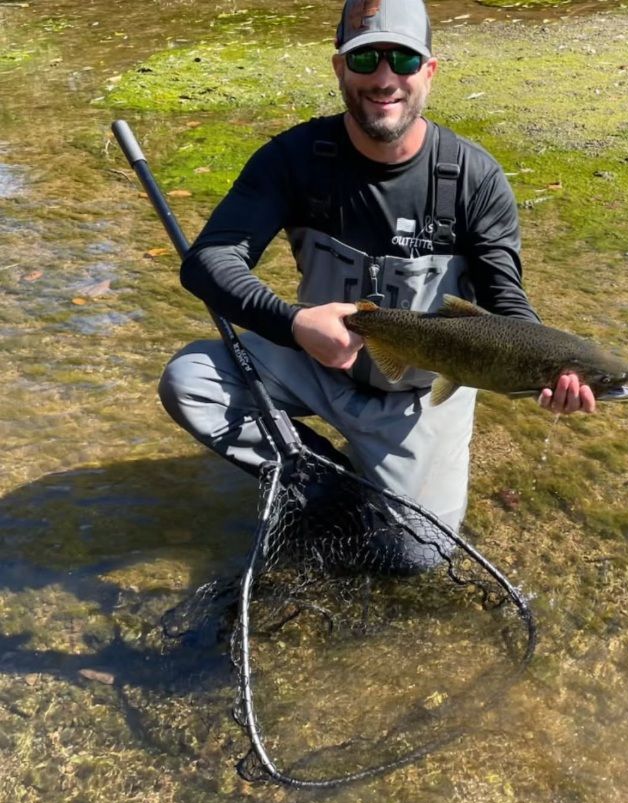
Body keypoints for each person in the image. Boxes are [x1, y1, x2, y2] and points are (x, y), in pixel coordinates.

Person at [159, 0, 596, 538]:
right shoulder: (294, 158)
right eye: (365, 60)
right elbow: (209, 261)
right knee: (191, 382)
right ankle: (324, 481)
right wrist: (294, 324)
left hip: (415, 394)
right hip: (311, 363)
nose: (384, 79)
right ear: (340, 67)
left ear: (429, 72)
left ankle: (382, 481)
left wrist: (547, 370)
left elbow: (506, 302)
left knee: (419, 552)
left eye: (404, 61)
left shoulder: (474, 179)